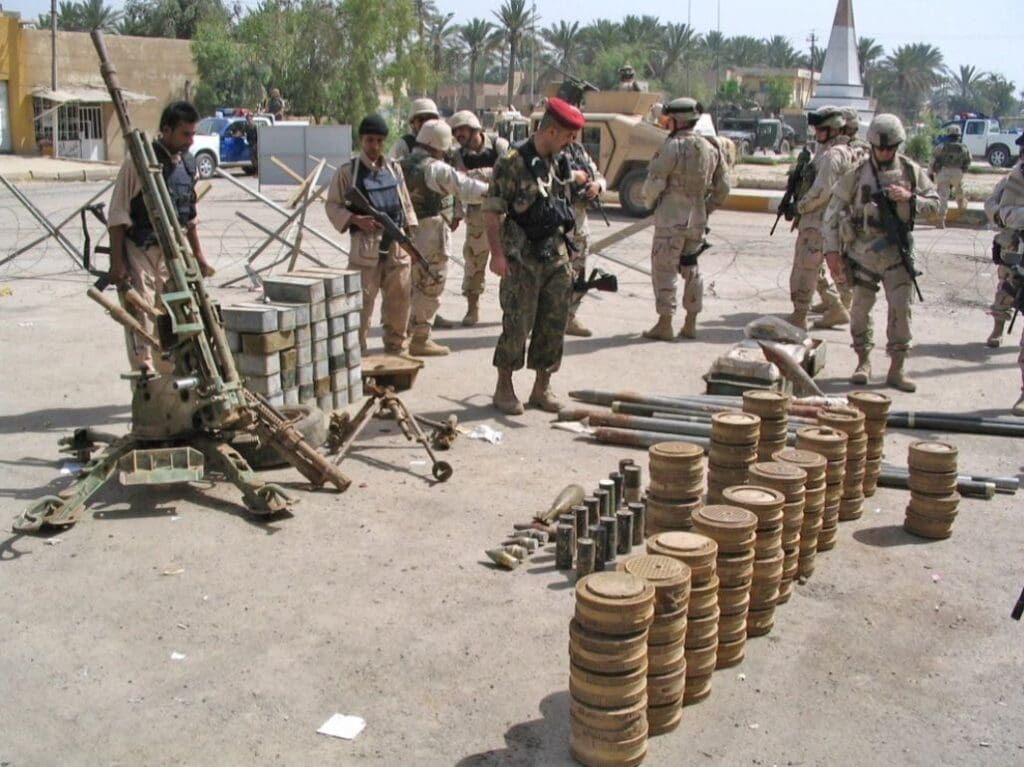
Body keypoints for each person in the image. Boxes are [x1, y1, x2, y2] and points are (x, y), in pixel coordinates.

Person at [823, 113, 939, 392]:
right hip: (863, 254)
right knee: (859, 312)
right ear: (872, 145)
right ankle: (863, 362)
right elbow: (832, 214)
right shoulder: (858, 173)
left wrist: (911, 199)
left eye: (891, 148)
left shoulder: (910, 171)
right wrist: (831, 252)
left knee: (901, 311)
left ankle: (897, 369)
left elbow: (936, 205)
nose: (885, 153)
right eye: (880, 148)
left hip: (897, 256)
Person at [483, 97, 582, 415]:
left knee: (553, 321)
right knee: (517, 322)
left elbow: (563, 200)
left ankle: (542, 387)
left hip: (555, 254)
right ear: (551, 131)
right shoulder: (512, 162)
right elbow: (492, 212)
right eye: (567, 135)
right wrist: (497, 255)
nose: (570, 142)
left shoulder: (559, 161)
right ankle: (504, 387)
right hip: (521, 257)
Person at [107, 100, 215, 373]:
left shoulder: (188, 165)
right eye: (185, 134)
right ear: (166, 130)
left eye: (193, 134)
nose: (191, 141)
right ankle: (144, 375)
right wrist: (117, 263)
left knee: (172, 316)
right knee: (141, 314)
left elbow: (189, 216)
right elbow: (117, 216)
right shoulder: (139, 163)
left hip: (173, 253)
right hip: (140, 250)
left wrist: (198, 255)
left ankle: (167, 380)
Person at [325, 114, 418, 354]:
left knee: (399, 302)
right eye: (370, 140)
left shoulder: (394, 169)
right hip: (365, 249)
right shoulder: (348, 172)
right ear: (361, 140)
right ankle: (356, 352)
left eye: (379, 141)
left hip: (396, 248)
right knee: (360, 303)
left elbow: (406, 204)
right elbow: (333, 206)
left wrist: (411, 238)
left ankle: (396, 346)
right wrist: (356, 219)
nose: (375, 146)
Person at [640, 97, 730, 341]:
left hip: (671, 220)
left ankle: (665, 323)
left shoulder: (673, 146)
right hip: (696, 221)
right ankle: (690, 323)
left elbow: (655, 181)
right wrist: (706, 209)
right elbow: (724, 188)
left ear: (677, 121)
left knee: (664, 269)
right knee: (691, 269)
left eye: (669, 120)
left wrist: (648, 202)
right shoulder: (711, 148)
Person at [401, 119, 490, 356]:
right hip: (431, 233)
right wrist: (492, 192)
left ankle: (404, 334)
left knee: (409, 284)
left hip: (404, 232)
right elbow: (464, 188)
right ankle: (421, 338)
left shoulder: (400, 164)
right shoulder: (435, 168)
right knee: (431, 283)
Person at [787, 105, 854, 331]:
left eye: (821, 130)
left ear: (832, 129)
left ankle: (800, 316)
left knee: (805, 269)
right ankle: (836, 307)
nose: (816, 133)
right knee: (816, 268)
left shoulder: (832, 156)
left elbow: (822, 191)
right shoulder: (837, 151)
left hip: (818, 221)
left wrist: (800, 206)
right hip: (826, 220)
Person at [983, 133, 1024, 355]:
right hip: (1014, 244)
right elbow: (991, 205)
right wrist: (1003, 216)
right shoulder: (1012, 180)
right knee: (1006, 289)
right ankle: (997, 329)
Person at [564, 137, 606, 337]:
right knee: (550, 277)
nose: (571, 136)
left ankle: (569, 317)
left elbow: (598, 176)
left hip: (579, 224)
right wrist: (573, 176)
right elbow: (546, 174)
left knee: (578, 275)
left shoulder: (578, 151)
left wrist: (597, 186)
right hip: (556, 225)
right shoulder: (544, 150)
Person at [929, 124, 972, 228]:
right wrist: (962, 170)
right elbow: (969, 160)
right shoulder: (964, 147)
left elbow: (932, 160)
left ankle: (941, 220)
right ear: (959, 136)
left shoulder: (941, 147)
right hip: (957, 172)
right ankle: (961, 202)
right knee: (960, 188)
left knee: (942, 196)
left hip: (943, 172)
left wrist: (930, 173)